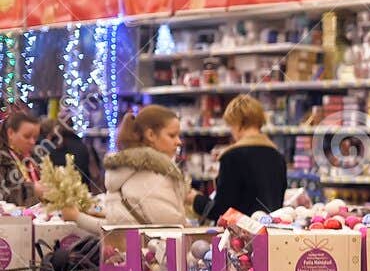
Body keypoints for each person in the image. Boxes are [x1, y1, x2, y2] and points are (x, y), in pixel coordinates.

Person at [65, 105, 202, 229]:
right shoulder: (152, 176)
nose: (178, 142)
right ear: (151, 135)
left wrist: (82, 215)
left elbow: (118, 224)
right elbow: (172, 227)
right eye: (172, 135)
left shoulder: (126, 171)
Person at [198, 95, 287, 221]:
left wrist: (196, 200)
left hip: (240, 237)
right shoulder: (278, 157)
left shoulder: (231, 157)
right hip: (270, 234)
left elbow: (222, 210)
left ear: (238, 123)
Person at [42, 116, 101, 193]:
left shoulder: (51, 149)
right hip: (85, 194)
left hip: (61, 196)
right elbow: (96, 174)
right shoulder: (83, 145)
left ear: (49, 134)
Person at [0, 109, 42, 206]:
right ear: (10, 133)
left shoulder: (33, 159)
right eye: (27, 136)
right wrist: (33, 190)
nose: (32, 142)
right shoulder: (2, 159)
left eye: (35, 137)